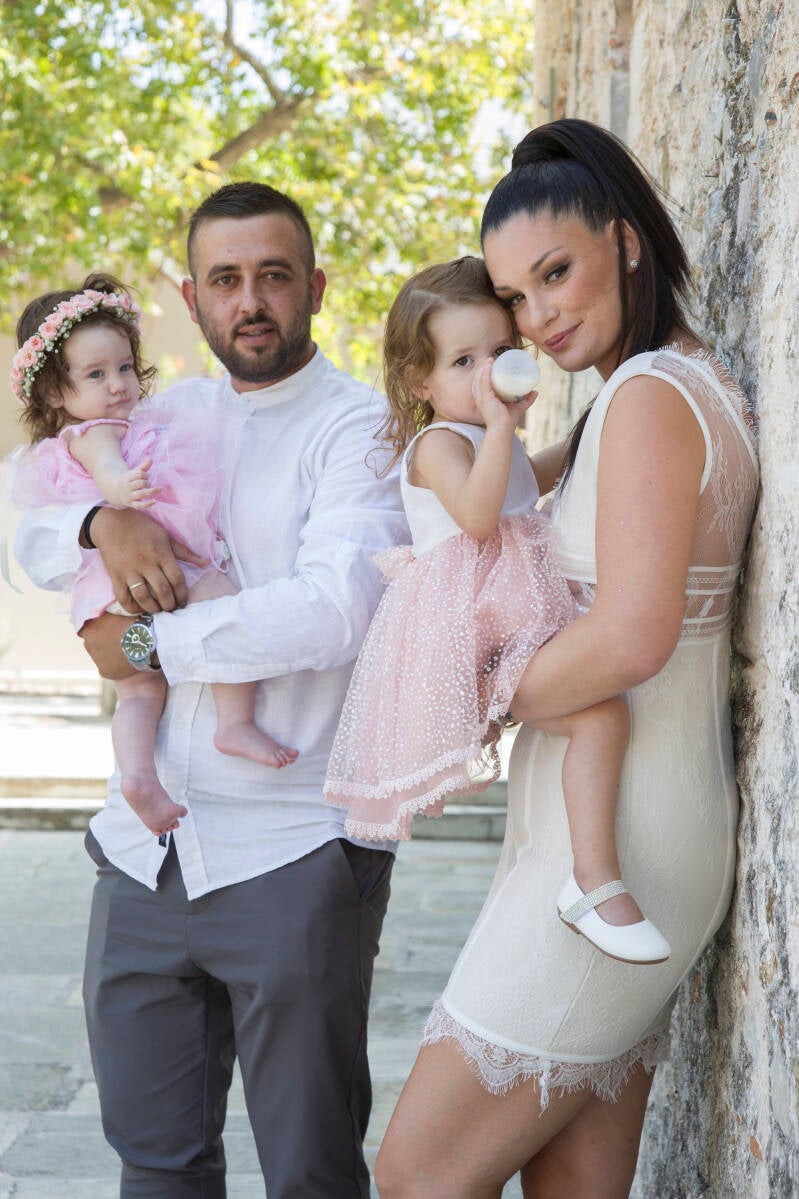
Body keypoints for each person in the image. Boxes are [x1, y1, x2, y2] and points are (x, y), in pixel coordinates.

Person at [375, 119, 758, 1199]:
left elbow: (631, 636)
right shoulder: (656, 386)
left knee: (414, 1176)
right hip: (623, 831)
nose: (538, 318)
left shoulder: (645, 398)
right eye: (516, 297)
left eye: (555, 274)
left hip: (614, 851)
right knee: (571, 1183)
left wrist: (473, 689)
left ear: (625, 240)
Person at [13, 182, 406, 1198]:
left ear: (315, 286)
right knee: (157, 1167)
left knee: (310, 1171)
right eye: (225, 279)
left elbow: (331, 610)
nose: (250, 300)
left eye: (274, 275)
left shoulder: (360, 429)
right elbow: (35, 528)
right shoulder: (160, 412)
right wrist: (101, 525)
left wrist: (147, 642)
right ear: (191, 298)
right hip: (143, 855)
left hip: (294, 846)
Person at [324, 255, 669, 966]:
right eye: (463, 362)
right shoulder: (438, 444)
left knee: (598, 716)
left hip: (515, 617)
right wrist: (501, 423)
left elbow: (523, 483)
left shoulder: (486, 435)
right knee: (601, 716)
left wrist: (585, 437)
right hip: (470, 636)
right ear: (420, 382)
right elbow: (481, 515)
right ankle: (592, 882)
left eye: (499, 351)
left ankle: (587, 875)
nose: (487, 372)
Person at [10, 272, 298, 839]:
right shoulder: (96, 433)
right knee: (223, 600)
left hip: (106, 594)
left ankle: (140, 777)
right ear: (54, 393)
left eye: (124, 367)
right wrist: (120, 497)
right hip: (150, 571)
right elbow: (106, 472)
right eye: (96, 374)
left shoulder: (113, 425)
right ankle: (235, 721)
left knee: (139, 692)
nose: (118, 384)